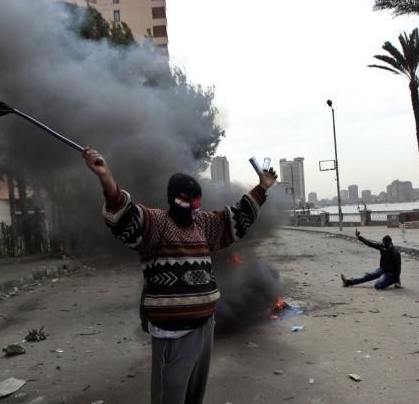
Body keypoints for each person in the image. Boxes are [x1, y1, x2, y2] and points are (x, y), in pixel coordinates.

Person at [82, 148, 277, 404]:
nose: (193, 207)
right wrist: (105, 176)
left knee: (194, 394)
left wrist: (261, 188)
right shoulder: (154, 224)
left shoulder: (203, 224)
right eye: (186, 201)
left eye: (197, 202)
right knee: (170, 396)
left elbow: (237, 217)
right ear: (173, 199)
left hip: (205, 325)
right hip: (172, 333)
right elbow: (122, 213)